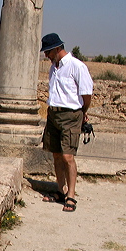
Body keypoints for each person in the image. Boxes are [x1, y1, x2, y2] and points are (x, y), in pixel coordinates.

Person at [39, 33, 93, 212]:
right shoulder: (53, 68)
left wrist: (82, 112)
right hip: (53, 114)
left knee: (68, 156)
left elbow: (86, 94)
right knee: (56, 154)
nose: (46, 56)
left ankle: (71, 195)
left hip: (71, 115)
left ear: (56, 48)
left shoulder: (77, 66)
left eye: (47, 52)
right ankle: (59, 190)